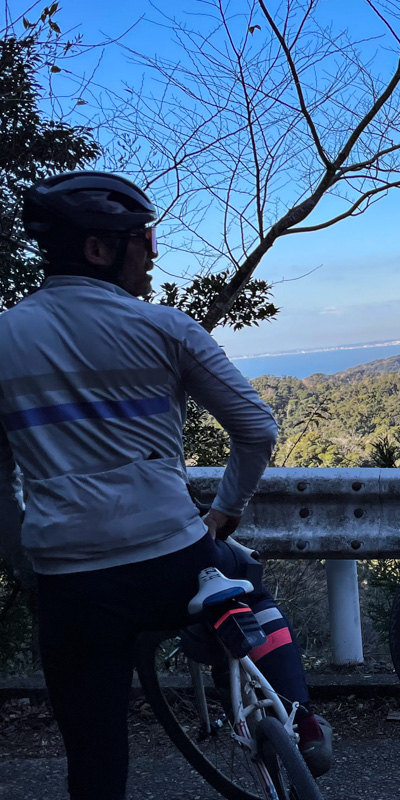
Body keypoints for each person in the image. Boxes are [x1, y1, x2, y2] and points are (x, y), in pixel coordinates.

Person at [0, 171, 332, 800]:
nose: (153, 253)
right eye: (143, 239)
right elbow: (257, 430)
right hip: (170, 560)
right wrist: (225, 510)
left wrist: (29, 565)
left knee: (94, 769)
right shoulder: (165, 329)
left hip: (70, 582)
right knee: (244, 577)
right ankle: (292, 713)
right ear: (99, 249)